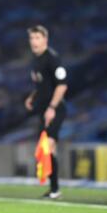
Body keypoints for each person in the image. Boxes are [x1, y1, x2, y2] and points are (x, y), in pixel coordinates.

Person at [24, 25, 68, 199]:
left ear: (45, 39)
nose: (34, 41)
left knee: (49, 146)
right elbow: (42, 84)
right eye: (32, 38)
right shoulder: (36, 60)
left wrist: (52, 108)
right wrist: (32, 96)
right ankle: (53, 187)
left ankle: (55, 188)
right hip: (42, 110)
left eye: (37, 38)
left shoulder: (52, 58)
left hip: (55, 109)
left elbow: (62, 85)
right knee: (47, 149)